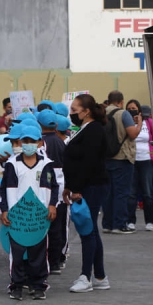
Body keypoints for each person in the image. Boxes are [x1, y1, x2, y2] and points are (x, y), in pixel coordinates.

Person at [0, 126, 58, 301]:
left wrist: (52, 205)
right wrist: (4, 210)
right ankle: (16, 285)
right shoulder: (12, 164)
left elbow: (53, 186)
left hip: (39, 217)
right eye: (25, 141)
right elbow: (4, 190)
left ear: (39, 142)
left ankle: (38, 285)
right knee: (16, 253)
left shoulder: (46, 164)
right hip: (18, 216)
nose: (29, 144)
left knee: (38, 252)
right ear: (21, 142)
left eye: (33, 141)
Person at [62, 94, 110, 293]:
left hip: (91, 186)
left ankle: (86, 276)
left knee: (87, 231)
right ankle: (100, 276)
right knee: (91, 231)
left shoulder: (94, 130)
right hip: (84, 185)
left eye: (74, 110)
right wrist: (69, 185)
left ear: (86, 111)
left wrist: (78, 189)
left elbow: (88, 162)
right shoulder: (85, 129)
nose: (71, 113)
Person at [102, 90, 140, 234]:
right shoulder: (123, 114)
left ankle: (107, 224)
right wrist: (139, 123)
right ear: (121, 101)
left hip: (105, 158)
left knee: (108, 193)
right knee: (121, 192)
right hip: (122, 158)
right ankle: (119, 224)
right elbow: (133, 134)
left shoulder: (102, 114)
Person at [37, 109, 67, 274]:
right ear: (56, 124)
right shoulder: (60, 141)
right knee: (58, 227)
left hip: (45, 188)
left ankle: (45, 260)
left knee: (44, 227)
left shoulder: (41, 143)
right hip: (61, 189)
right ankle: (55, 261)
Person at [126, 100, 153, 231]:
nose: (132, 110)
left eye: (134, 108)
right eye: (129, 108)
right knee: (131, 193)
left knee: (147, 192)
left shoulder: (148, 123)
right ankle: (130, 221)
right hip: (131, 160)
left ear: (139, 109)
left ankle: (149, 221)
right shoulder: (126, 123)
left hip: (147, 160)